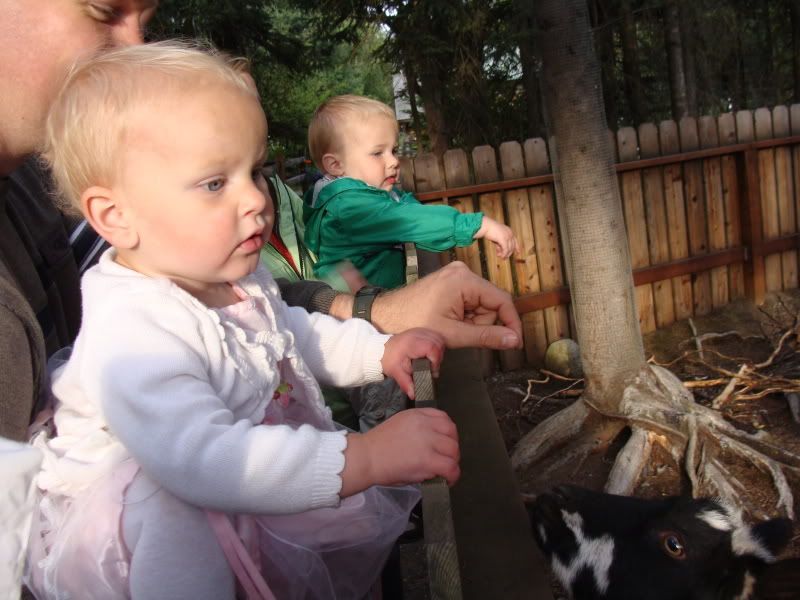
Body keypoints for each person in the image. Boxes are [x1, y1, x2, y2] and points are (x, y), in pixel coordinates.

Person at [25, 41, 460, 599]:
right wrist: (368, 456)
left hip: (243, 478)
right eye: (215, 183)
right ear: (117, 216)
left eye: (253, 172)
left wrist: (377, 349)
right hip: (165, 514)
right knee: (175, 515)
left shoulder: (231, 274)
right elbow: (210, 461)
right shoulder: (133, 330)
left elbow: (292, 333)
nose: (256, 199)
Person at [303, 94, 519, 291]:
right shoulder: (349, 208)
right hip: (365, 320)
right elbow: (410, 221)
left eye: (393, 150)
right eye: (378, 153)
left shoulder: (368, 200)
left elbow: (410, 215)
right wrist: (477, 225)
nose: (394, 161)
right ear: (336, 165)